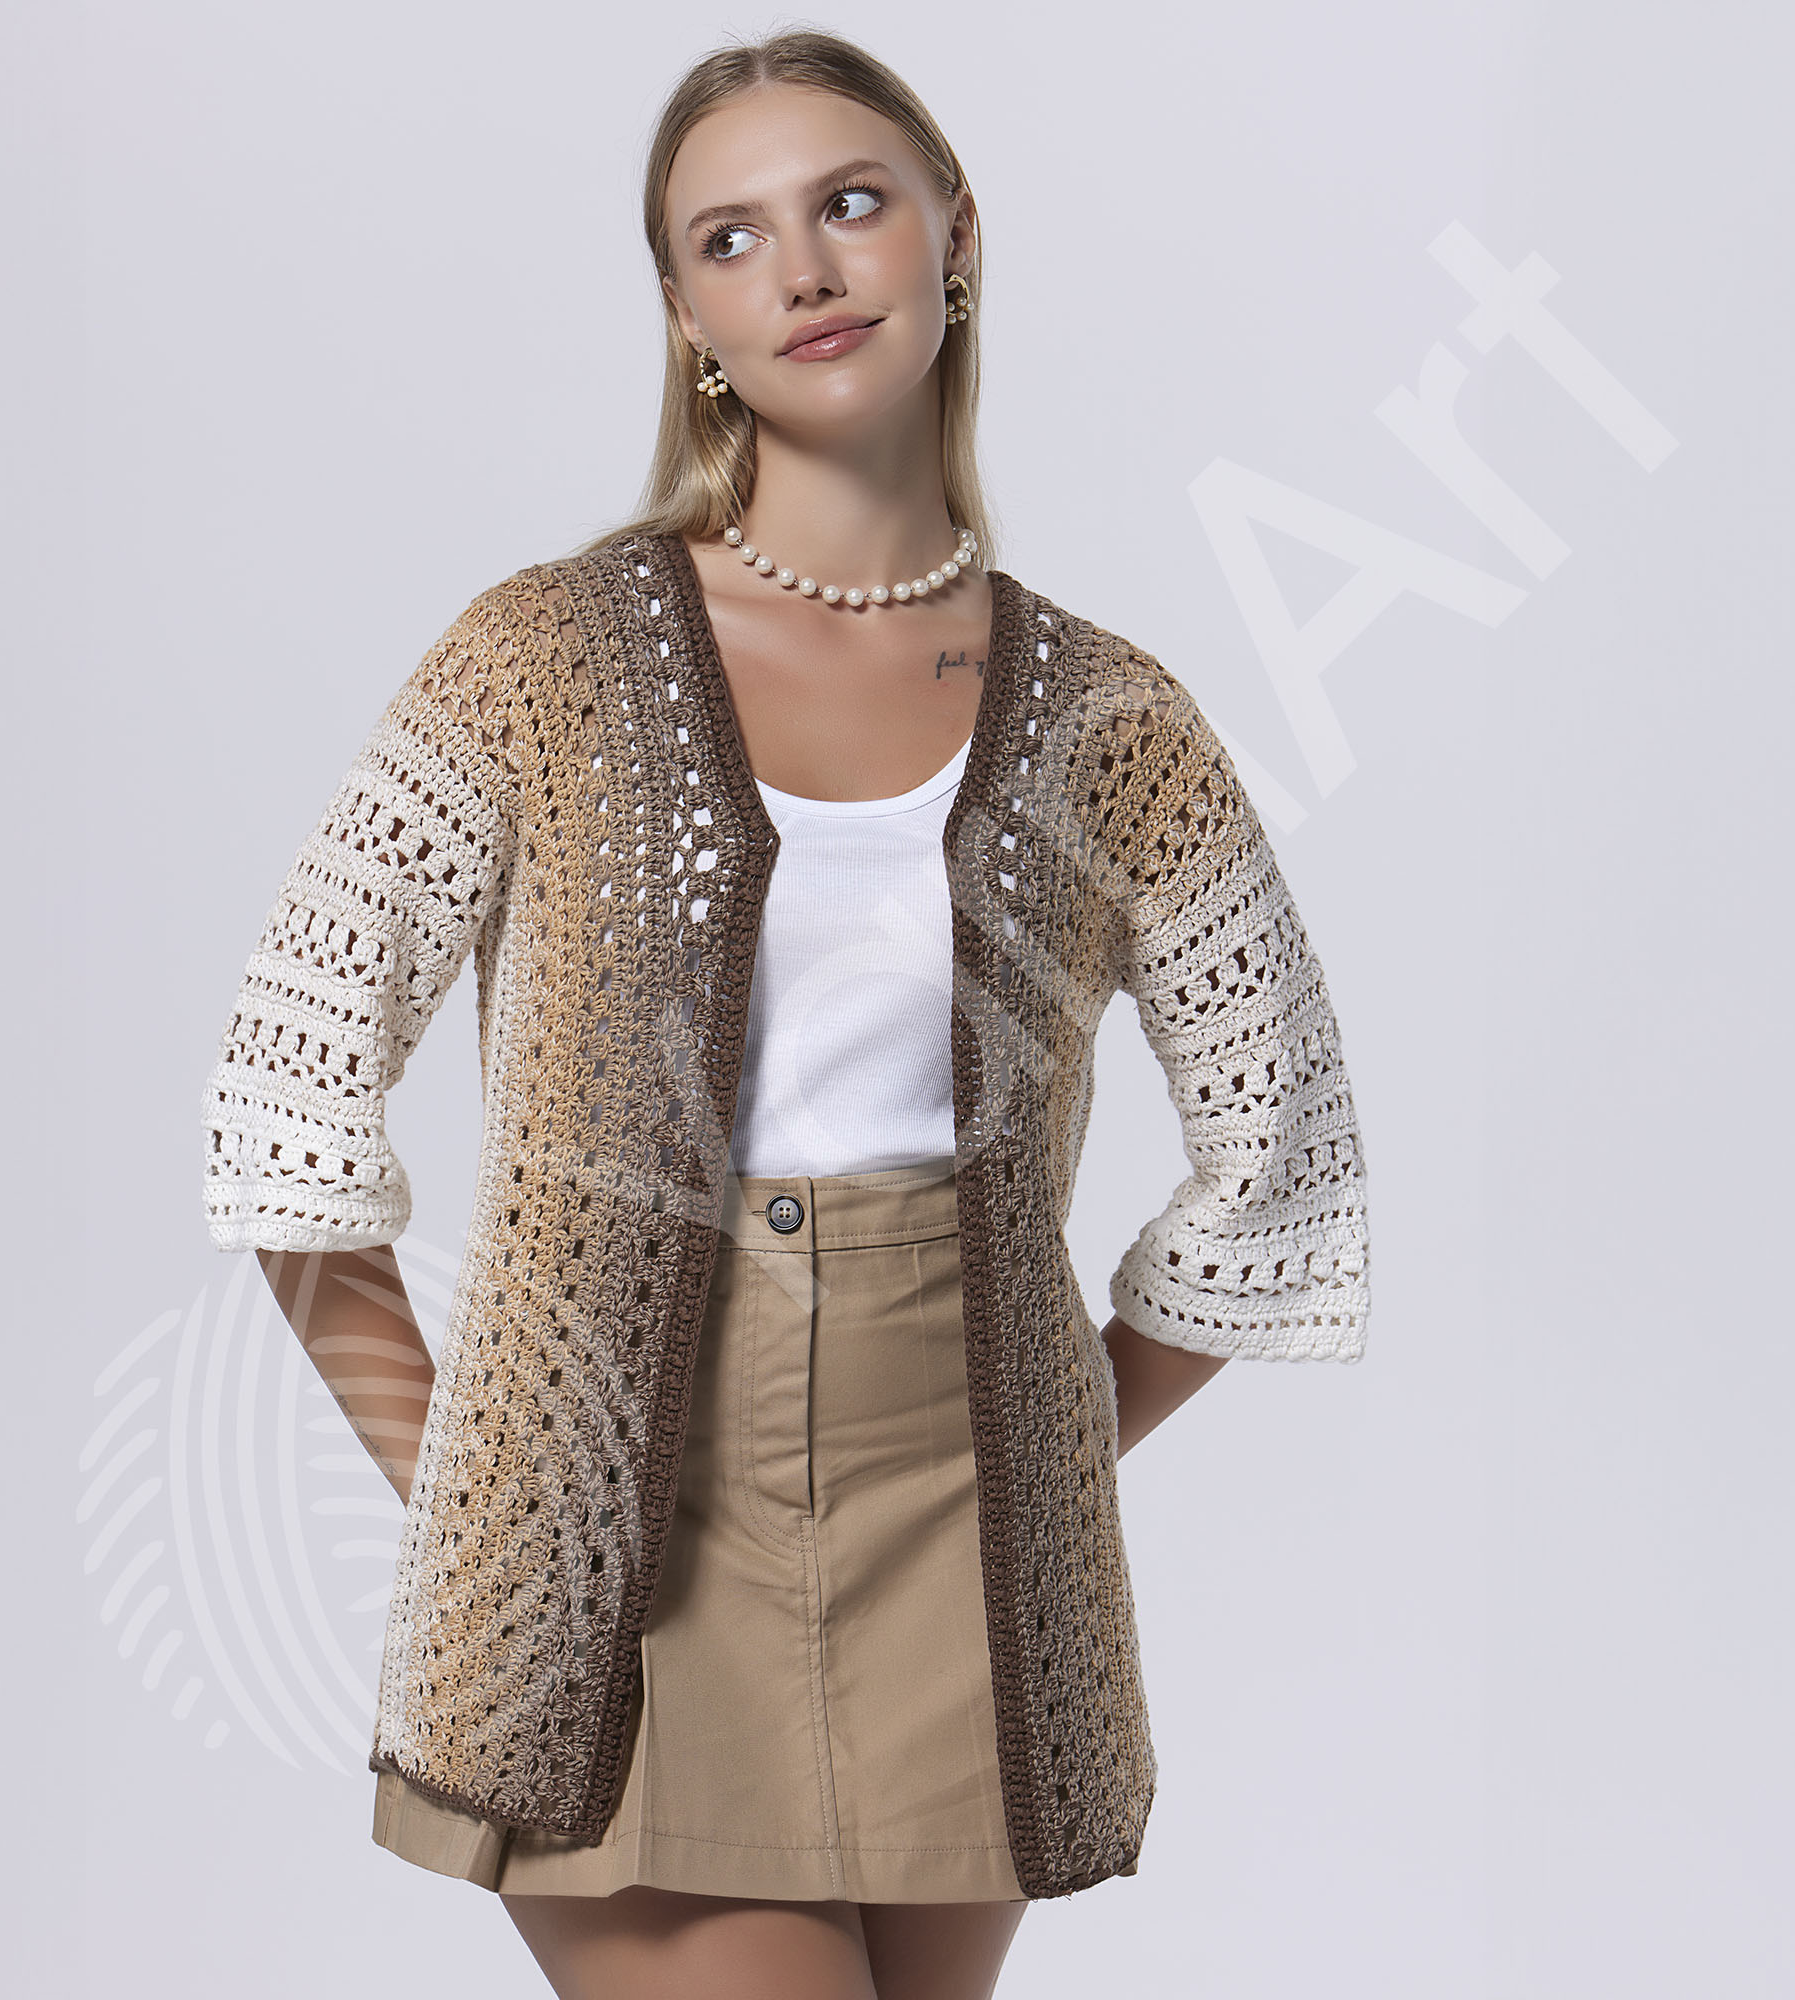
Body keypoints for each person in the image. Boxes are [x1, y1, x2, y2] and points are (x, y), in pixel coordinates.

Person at [198, 28, 1372, 1999]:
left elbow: (1283, 1163)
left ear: (954, 236)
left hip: (969, 1547)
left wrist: (1053, 1438)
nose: (805, 270)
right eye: (729, 239)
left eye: (850, 203)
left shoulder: (1114, 720)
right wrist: (484, 1498)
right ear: (688, 318)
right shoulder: (540, 659)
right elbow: (283, 1096)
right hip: (622, 1537)